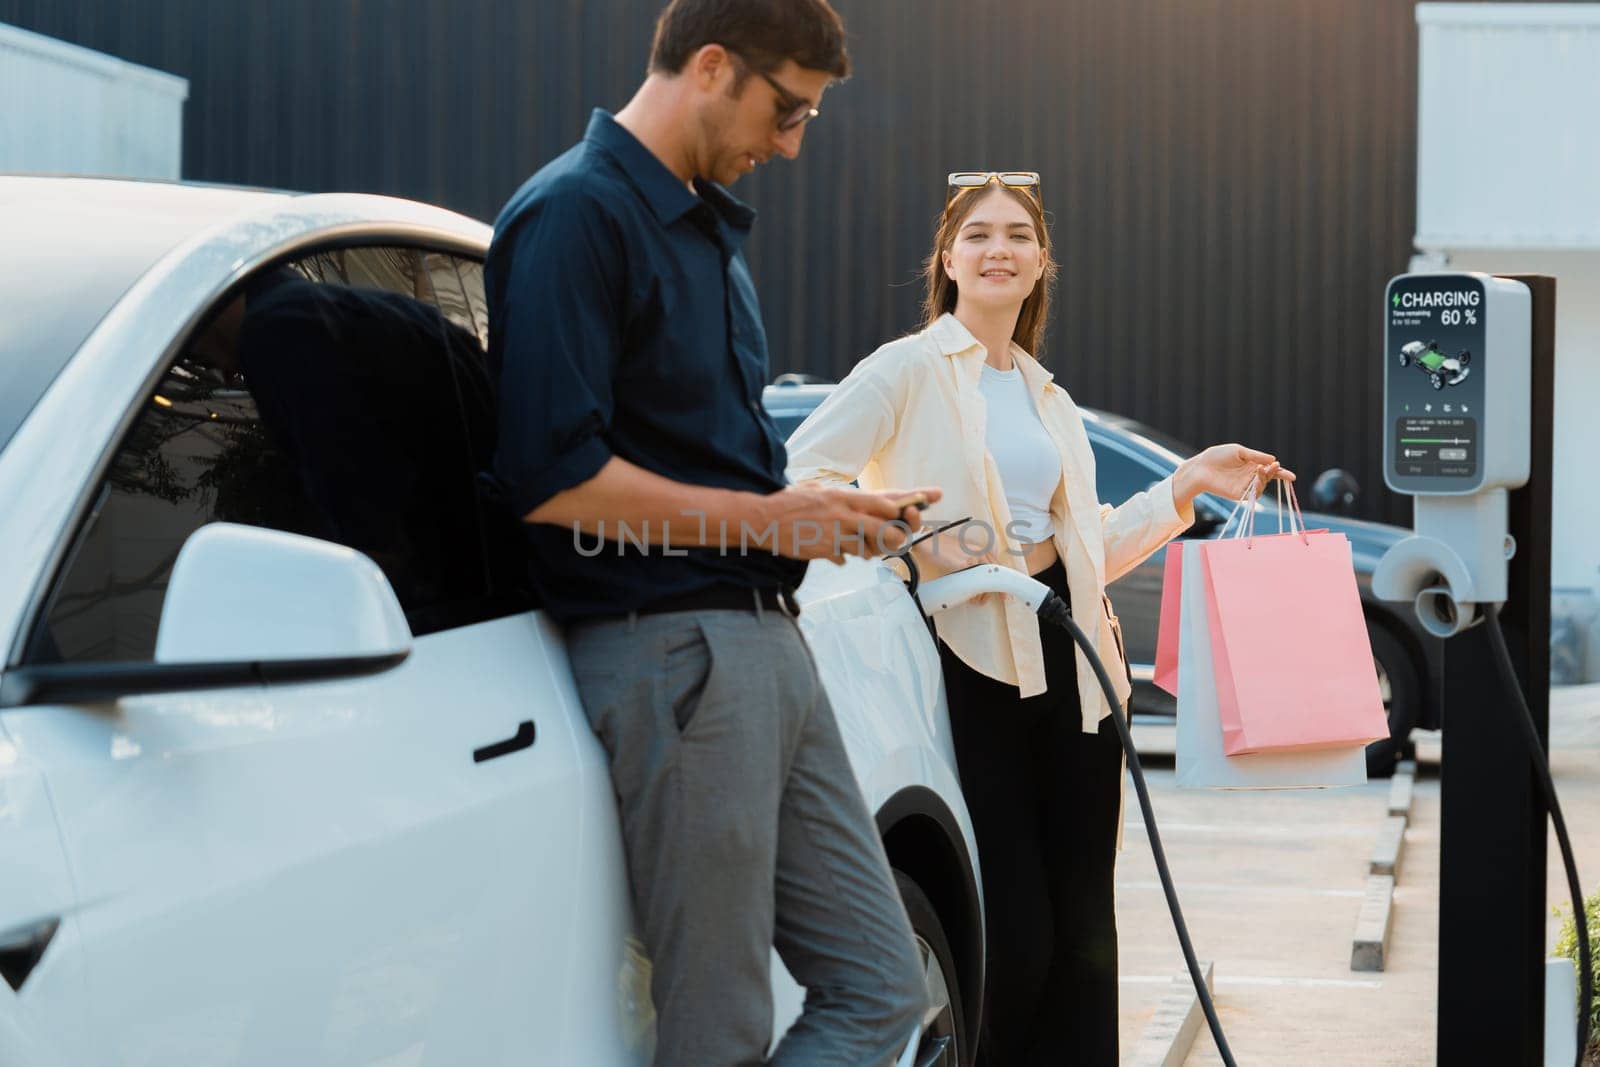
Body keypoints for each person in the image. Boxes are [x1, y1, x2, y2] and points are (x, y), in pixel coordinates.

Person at [484, 2, 939, 1064]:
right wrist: (772, 516)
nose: (787, 144)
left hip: (765, 641)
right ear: (711, 65)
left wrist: (818, 517)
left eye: (806, 120)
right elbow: (554, 479)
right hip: (671, 652)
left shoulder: (705, 236)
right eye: (786, 110)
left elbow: (710, 471)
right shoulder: (574, 215)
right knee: (716, 1026)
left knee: (881, 985)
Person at [785, 171, 1293, 1065]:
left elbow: (1082, 546)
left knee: (1085, 938)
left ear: (1041, 262)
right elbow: (803, 476)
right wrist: (915, 543)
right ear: (948, 259)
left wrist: (1186, 486)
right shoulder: (906, 370)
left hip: (1076, 670)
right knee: (1014, 937)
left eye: (1017, 235)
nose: (998, 249)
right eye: (977, 235)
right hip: (970, 660)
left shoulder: (1046, 396)